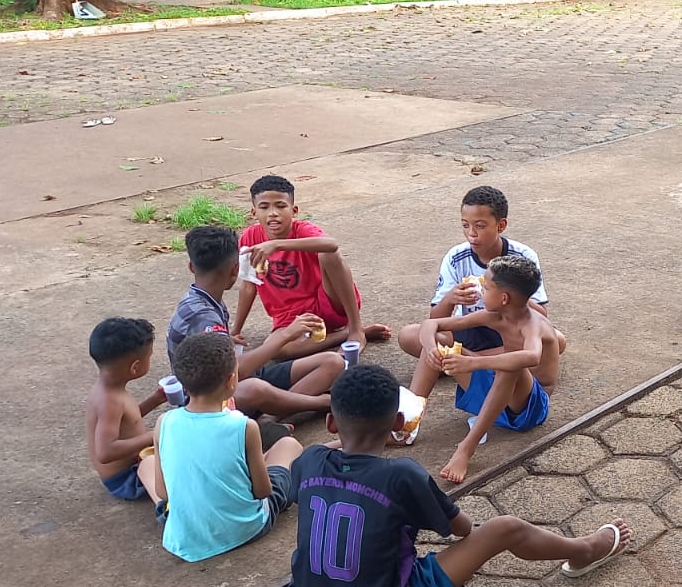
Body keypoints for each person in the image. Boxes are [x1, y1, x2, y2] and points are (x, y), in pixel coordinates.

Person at [286, 364, 633, 587]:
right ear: (398, 425)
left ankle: (584, 550)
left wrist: (353, 439)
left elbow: (333, 457)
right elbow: (462, 529)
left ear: (331, 423)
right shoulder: (401, 474)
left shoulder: (310, 460)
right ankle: (584, 550)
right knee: (503, 528)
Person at [397, 185, 566, 404]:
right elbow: (435, 319)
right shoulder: (456, 257)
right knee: (409, 335)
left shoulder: (522, 257)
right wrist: (451, 298)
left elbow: (541, 316)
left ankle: (464, 362)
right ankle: (461, 362)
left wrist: (513, 295)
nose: (471, 233)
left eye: (480, 226)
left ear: (501, 225)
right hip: (470, 329)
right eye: (465, 225)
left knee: (556, 341)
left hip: (508, 334)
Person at [154, 333, 306, 562]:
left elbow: (163, 492)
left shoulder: (163, 423)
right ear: (231, 380)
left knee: (147, 464)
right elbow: (263, 491)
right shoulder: (243, 426)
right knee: (289, 445)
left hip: (187, 539)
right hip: (247, 528)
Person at [168, 224, 343, 421]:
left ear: (191, 267)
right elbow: (236, 371)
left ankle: (272, 414)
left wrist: (227, 339)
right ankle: (321, 403)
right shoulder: (204, 315)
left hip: (231, 379)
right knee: (255, 388)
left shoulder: (199, 299)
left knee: (333, 362)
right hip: (207, 399)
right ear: (235, 269)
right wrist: (286, 334)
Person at [418, 254, 559, 484]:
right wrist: (431, 348)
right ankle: (410, 418)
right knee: (442, 348)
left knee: (512, 365)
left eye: (485, 287)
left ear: (504, 298)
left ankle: (466, 448)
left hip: (529, 409)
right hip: (499, 394)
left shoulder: (533, 324)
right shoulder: (495, 316)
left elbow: (531, 356)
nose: (480, 290)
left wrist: (473, 363)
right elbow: (431, 324)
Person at [232, 175, 390, 358]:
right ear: (254, 213)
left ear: (294, 210)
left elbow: (331, 244)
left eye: (281, 206)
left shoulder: (302, 230)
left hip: (327, 304)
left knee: (328, 253)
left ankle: (355, 329)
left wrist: (276, 244)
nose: (273, 213)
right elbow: (248, 286)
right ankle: (344, 335)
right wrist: (235, 330)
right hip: (289, 317)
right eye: (264, 207)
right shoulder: (249, 238)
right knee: (276, 350)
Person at [85, 317, 165, 501]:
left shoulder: (110, 389)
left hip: (135, 463)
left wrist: (155, 399)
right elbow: (105, 452)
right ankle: (167, 506)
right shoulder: (108, 401)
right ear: (135, 367)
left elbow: (129, 421)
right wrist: (155, 435)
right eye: (149, 357)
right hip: (128, 478)